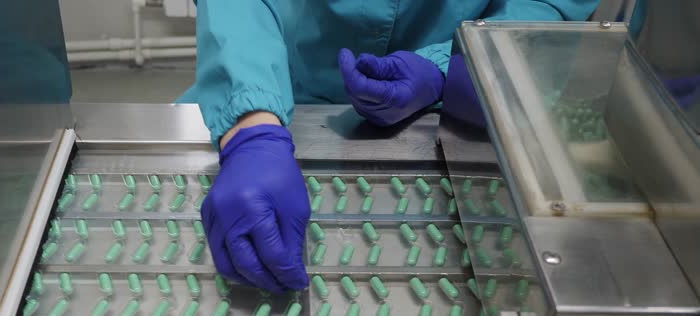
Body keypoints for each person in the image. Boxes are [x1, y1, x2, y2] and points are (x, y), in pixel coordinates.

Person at [179, 0, 600, 293]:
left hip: (441, 110)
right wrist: (250, 124)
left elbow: (547, 5)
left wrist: (445, 64)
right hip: (270, 78)